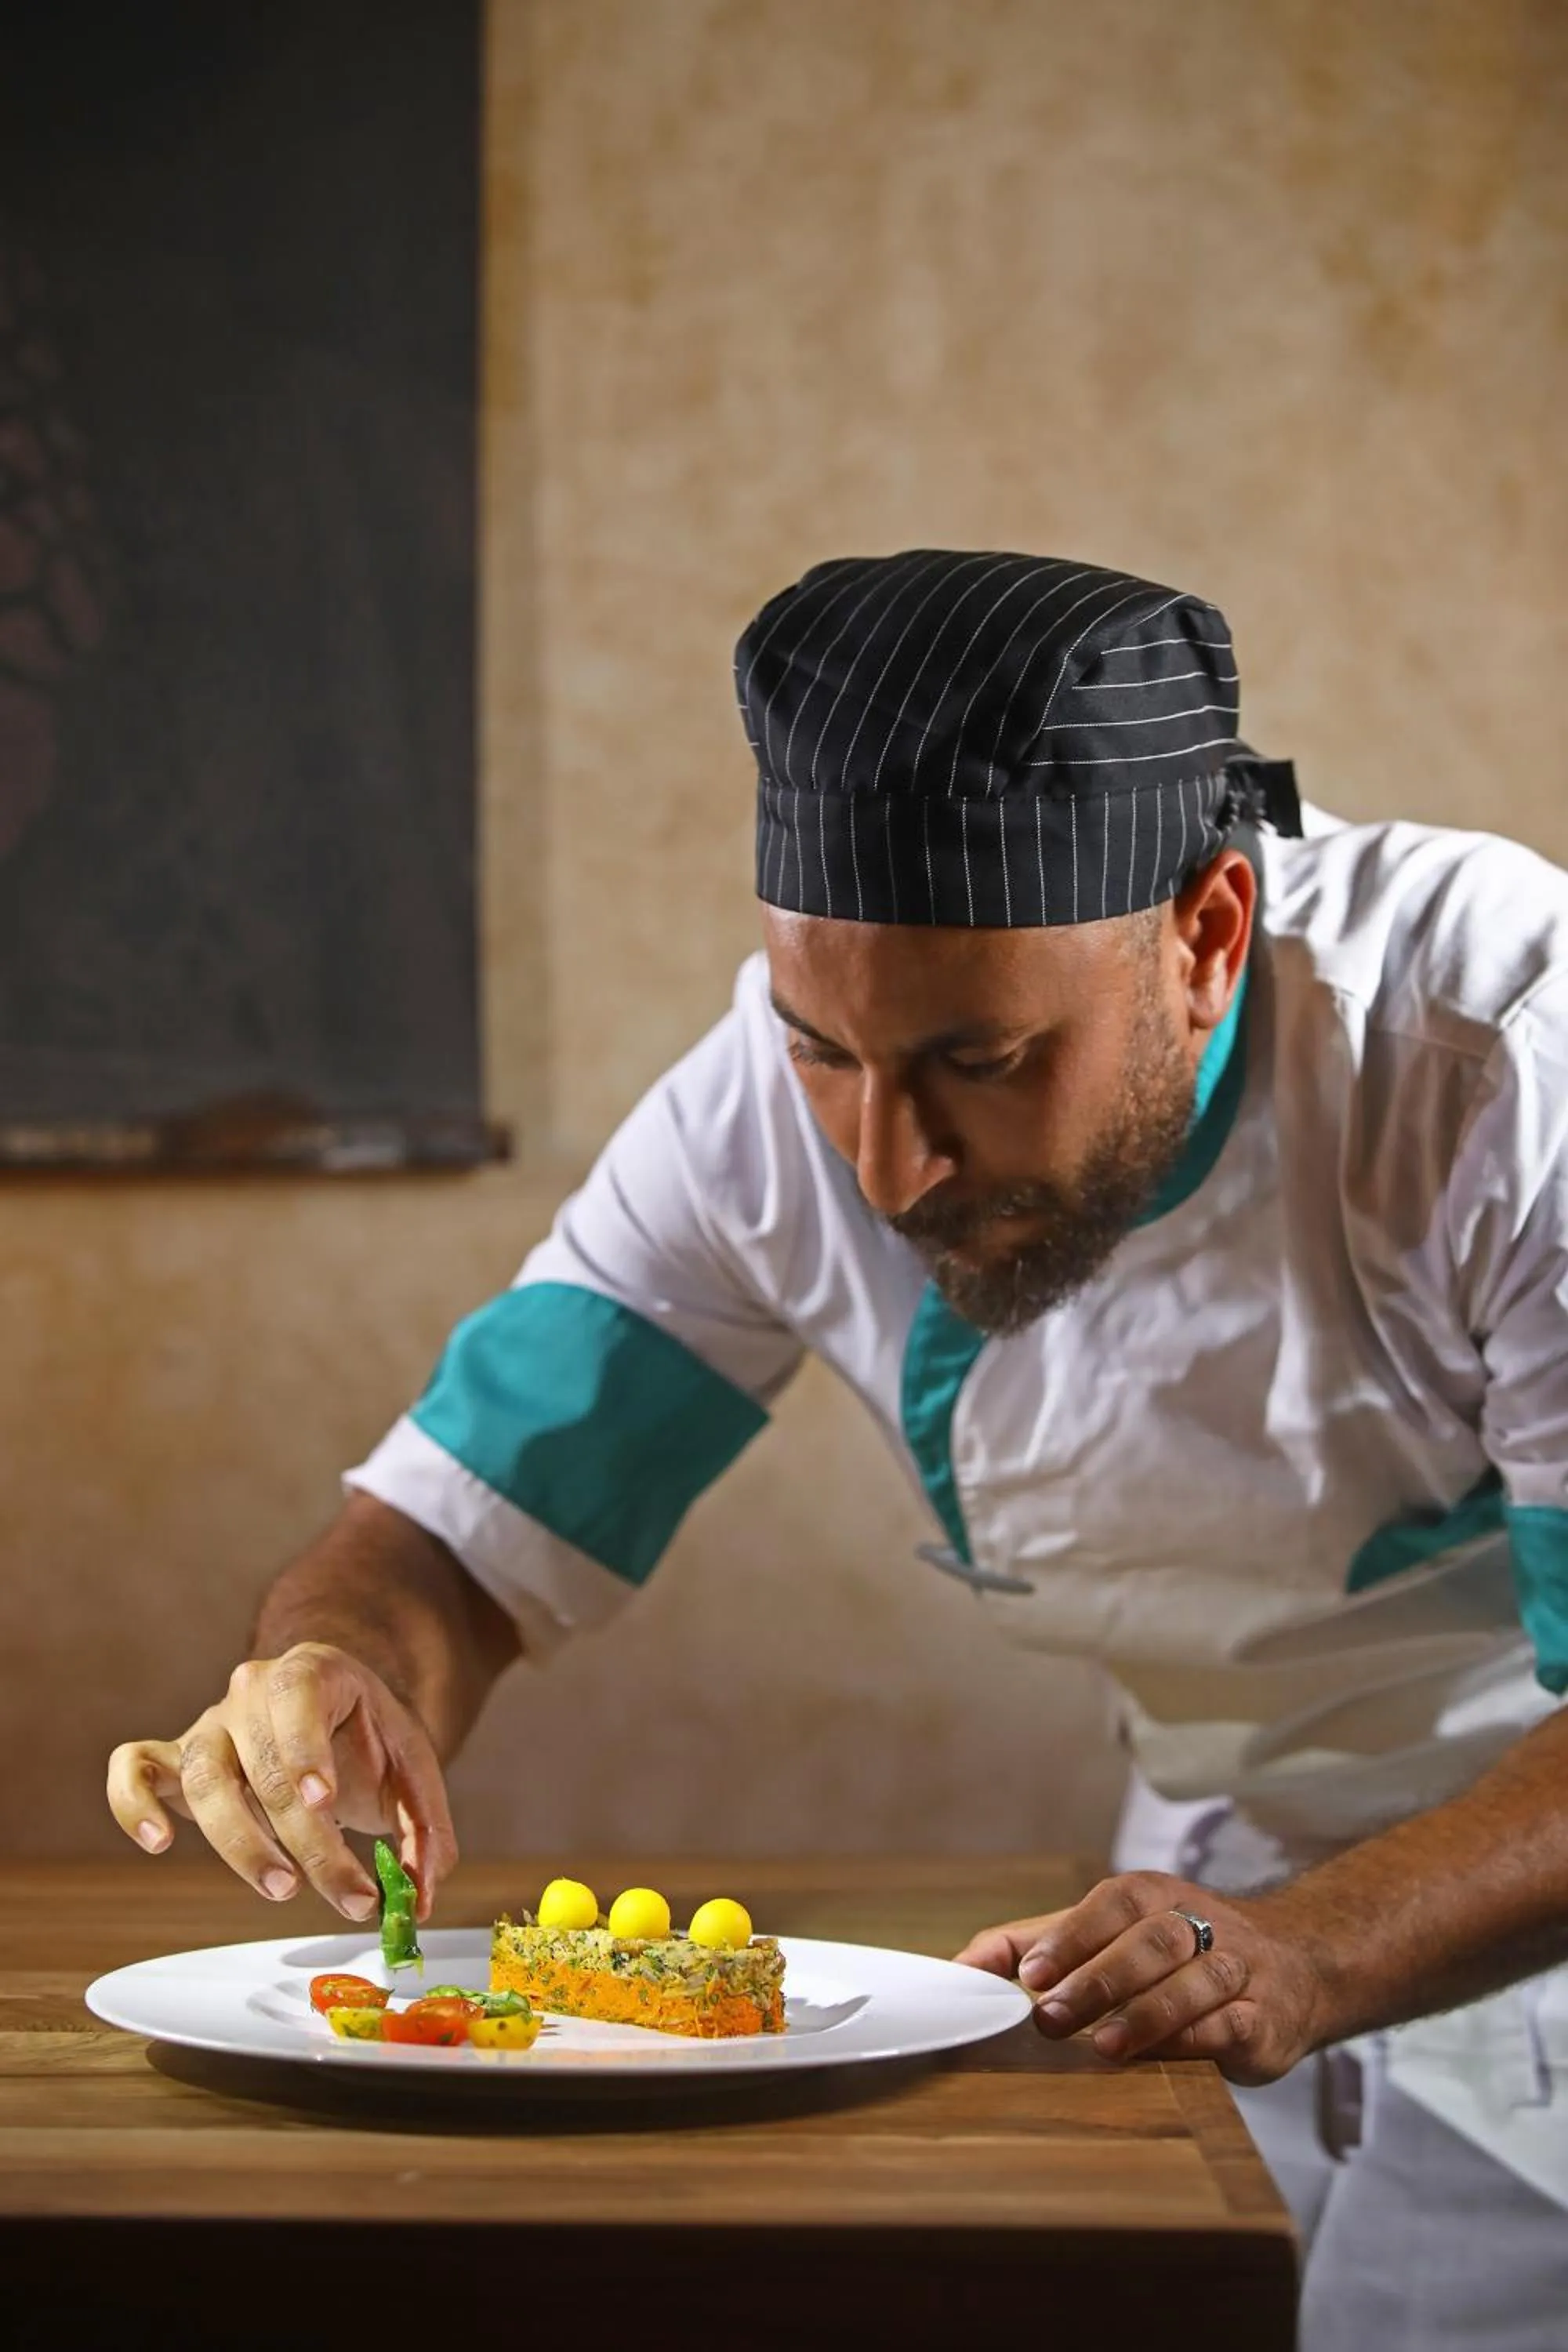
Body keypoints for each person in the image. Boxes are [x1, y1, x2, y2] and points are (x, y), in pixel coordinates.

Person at [110, 550, 1568, 2344]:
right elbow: (449, 1539)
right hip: (1194, 1905)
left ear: (1203, 934)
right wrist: (327, 1669)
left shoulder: (1501, 1062)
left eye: (980, 1058)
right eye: (824, 1049)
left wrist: (1321, 1949)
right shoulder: (768, 1102)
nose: (882, 1166)